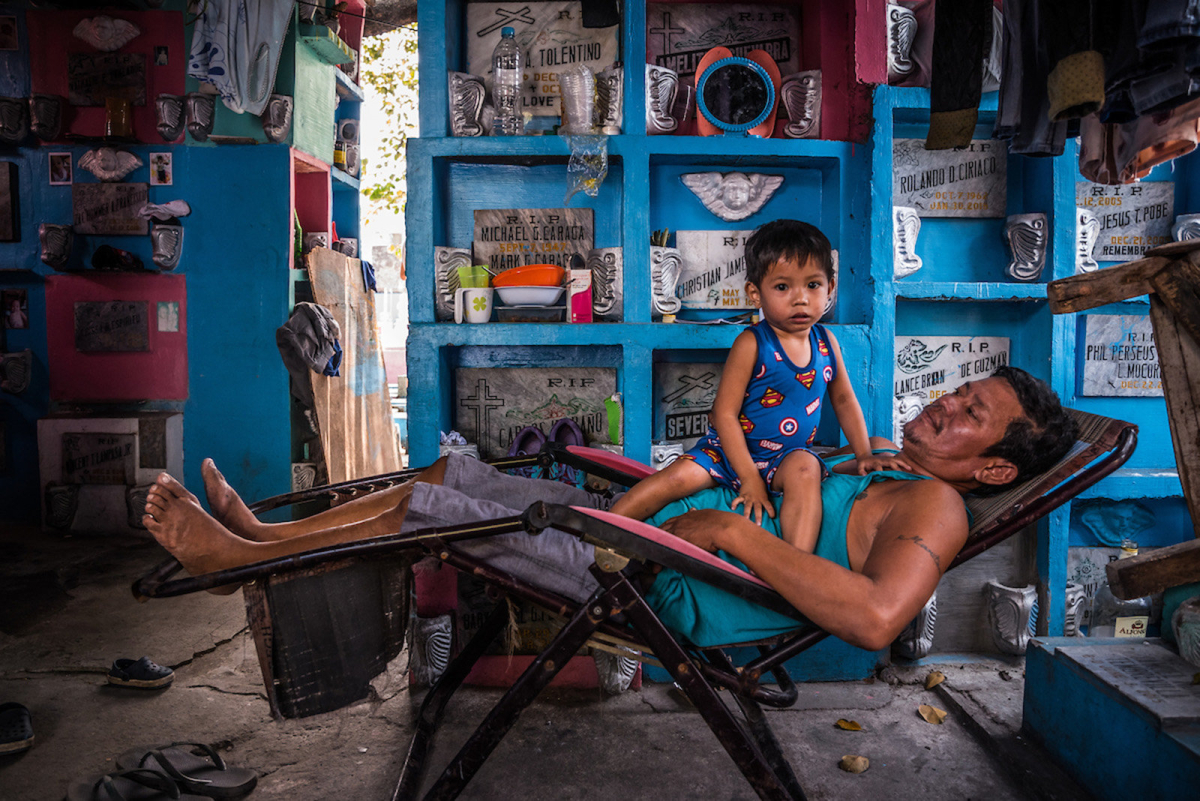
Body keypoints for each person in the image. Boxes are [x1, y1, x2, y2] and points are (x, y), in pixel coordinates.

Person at [142, 366, 1077, 652]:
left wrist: (727, 529)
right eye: (959, 390)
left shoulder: (937, 508)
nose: (947, 402)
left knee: (430, 511)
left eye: (971, 416)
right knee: (441, 473)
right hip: (634, 543)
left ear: (993, 470)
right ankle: (267, 538)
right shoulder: (884, 466)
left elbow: (877, 618)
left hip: (641, 582)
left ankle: (235, 561)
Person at [611, 220, 907, 555]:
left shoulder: (827, 343)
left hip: (785, 458)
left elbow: (843, 399)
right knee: (674, 478)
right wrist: (749, 479)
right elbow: (723, 414)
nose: (800, 299)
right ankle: (604, 528)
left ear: (831, 288)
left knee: (807, 468)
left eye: (813, 285)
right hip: (726, 454)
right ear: (756, 293)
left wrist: (864, 454)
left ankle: (793, 566)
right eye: (783, 287)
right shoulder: (753, 344)